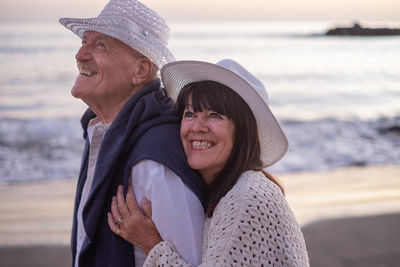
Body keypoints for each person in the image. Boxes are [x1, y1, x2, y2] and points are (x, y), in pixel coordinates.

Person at [108, 59, 310, 266]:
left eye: (215, 115)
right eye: (190, 114)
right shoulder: (239, 189)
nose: (197, 127)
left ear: (242, 130)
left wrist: (150, 243)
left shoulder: (245, 199)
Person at [59, 0, 207, 266]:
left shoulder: (157, 160)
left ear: (141, 70)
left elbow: (192, 261)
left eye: (101, 45)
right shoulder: (100, 129)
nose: (80, 55)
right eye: (84, 42)